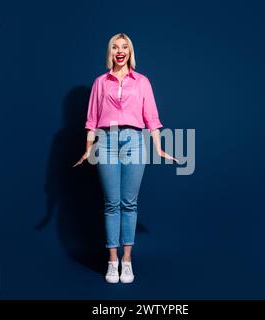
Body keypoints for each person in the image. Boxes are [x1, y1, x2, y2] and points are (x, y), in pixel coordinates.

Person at [73, 33, 177, 283]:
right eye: (115, 47)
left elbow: (151, 117)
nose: (120, 51)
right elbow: (92, 120)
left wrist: (159, 148)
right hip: (106, 142)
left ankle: (127, 260)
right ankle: (112, 261)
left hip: (134, 141)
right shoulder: (100, 82)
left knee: (129, 203)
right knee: (112, 203)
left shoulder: (142, 82)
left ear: (130, 52)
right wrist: (88, 149)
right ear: (110, 52)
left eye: (125, 47)